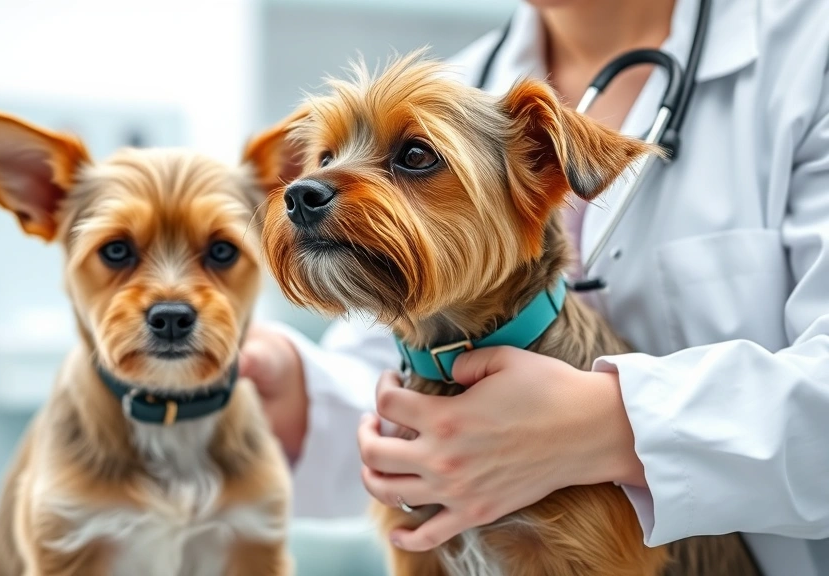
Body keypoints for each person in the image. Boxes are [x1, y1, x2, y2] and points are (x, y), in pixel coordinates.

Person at [240, 0, 829, 574]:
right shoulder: (465, 80)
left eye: (414, 157)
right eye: (325, 156)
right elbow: (375, 371)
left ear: (547, 164)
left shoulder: (807, 48)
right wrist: (292, 389)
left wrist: (613, 427)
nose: (312, 185)